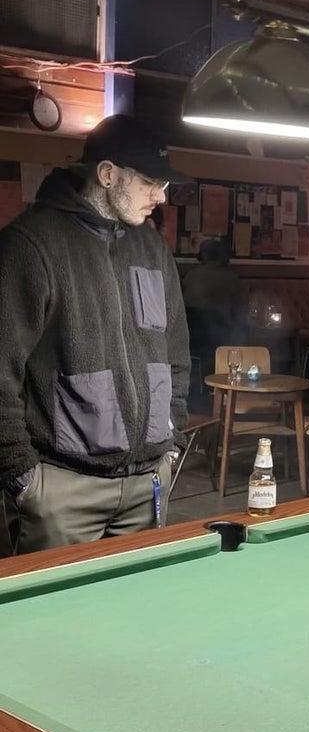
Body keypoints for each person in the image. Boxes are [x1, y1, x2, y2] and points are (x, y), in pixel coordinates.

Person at [0, 114, 191, 554]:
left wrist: (171, 444)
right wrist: (23, 476)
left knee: (141, 598)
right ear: (107, 174)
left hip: (147, 483)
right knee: (56, 602)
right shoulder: (30, 245)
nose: (161, 196)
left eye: (163, 184)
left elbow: (176, 354)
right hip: (62, 490)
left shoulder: (153, 248)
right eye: (149, 182)